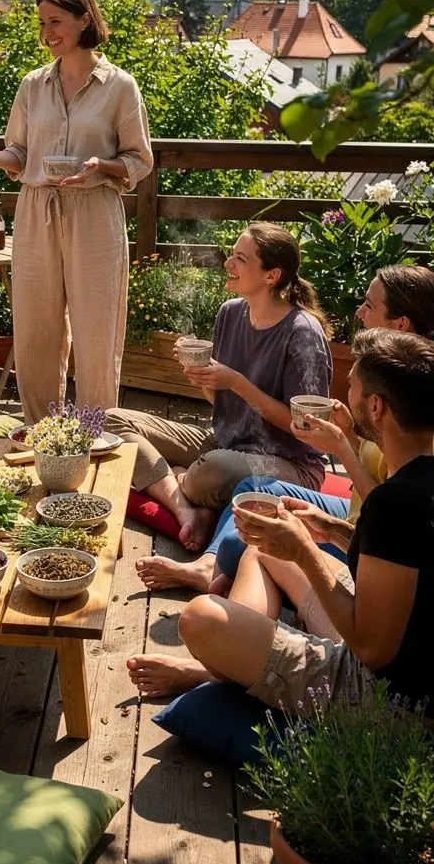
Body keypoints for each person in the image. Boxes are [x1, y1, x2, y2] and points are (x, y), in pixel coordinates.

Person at [128, 329, 434, 713]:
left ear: (376, 408)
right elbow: (408, 561)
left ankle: (218, 666)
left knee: (200, 618)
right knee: (262, 548)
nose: (344, 393)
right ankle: (233, 659)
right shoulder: (414, 484)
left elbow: (373, 650)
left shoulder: (396, 502)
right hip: (399, 645)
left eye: (351, 384)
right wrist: (334, 529)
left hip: (389, 699)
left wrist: (304, 551)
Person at [136, 263, 434, 605]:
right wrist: (350, 434)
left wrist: (343, 448)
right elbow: (376, 471)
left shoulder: (413, 400)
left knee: (241, 541)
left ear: (401, 325)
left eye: (369, 304)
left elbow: (392, 512)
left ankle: (219, 569)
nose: (359, 311)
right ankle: (207, 564)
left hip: (371, 530)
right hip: (353, 506)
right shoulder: (232, 314)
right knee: (253, 492)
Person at [0, 0, 154, 424]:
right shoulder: (32, 86)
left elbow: (140, 159)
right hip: (36, 210)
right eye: (42, 23)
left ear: (84, 20)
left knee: (97, 333)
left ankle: (98, 432)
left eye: (55, 21)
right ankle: (42, 431)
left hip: (94, 211)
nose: (47, 32)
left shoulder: (120, 87)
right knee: (36, 328)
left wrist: (101, 166)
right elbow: (20, 153)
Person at [107, 223, 332, 554]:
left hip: (288, 462)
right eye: (231, 254)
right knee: (111, 420)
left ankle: (181, 481)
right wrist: (203, 378)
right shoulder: (230, 313)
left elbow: (307, 430)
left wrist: (236, 382)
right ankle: (186, 508)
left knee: (214, 470)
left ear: (271, 275)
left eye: (240, 258)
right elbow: (224, 403)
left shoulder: (302, 334)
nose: (228, 263)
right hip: (226, 441)